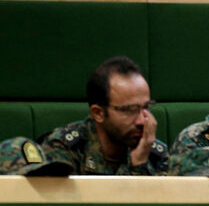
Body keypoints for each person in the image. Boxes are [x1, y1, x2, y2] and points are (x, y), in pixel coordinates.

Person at [39, 56, 167, 174]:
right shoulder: (64, 150)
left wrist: (140, 162)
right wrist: (136, 166)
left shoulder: (153, 153)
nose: (141, 121)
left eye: (145, 107)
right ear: (98, 113)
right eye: (129, 110)